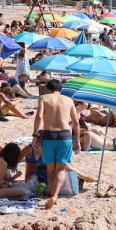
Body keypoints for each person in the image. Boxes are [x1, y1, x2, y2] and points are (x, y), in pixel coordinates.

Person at [33, 80, 80, 209]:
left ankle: (53, 195)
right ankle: (55, 196)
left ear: (48, 89)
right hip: (65, 136)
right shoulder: (69, 100)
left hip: (48, 135)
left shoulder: (43, 98)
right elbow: (76, 122)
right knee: (60, 169)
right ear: (61, 89)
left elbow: (38, 117)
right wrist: (78, 142)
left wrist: (35, 136)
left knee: (50, 170)